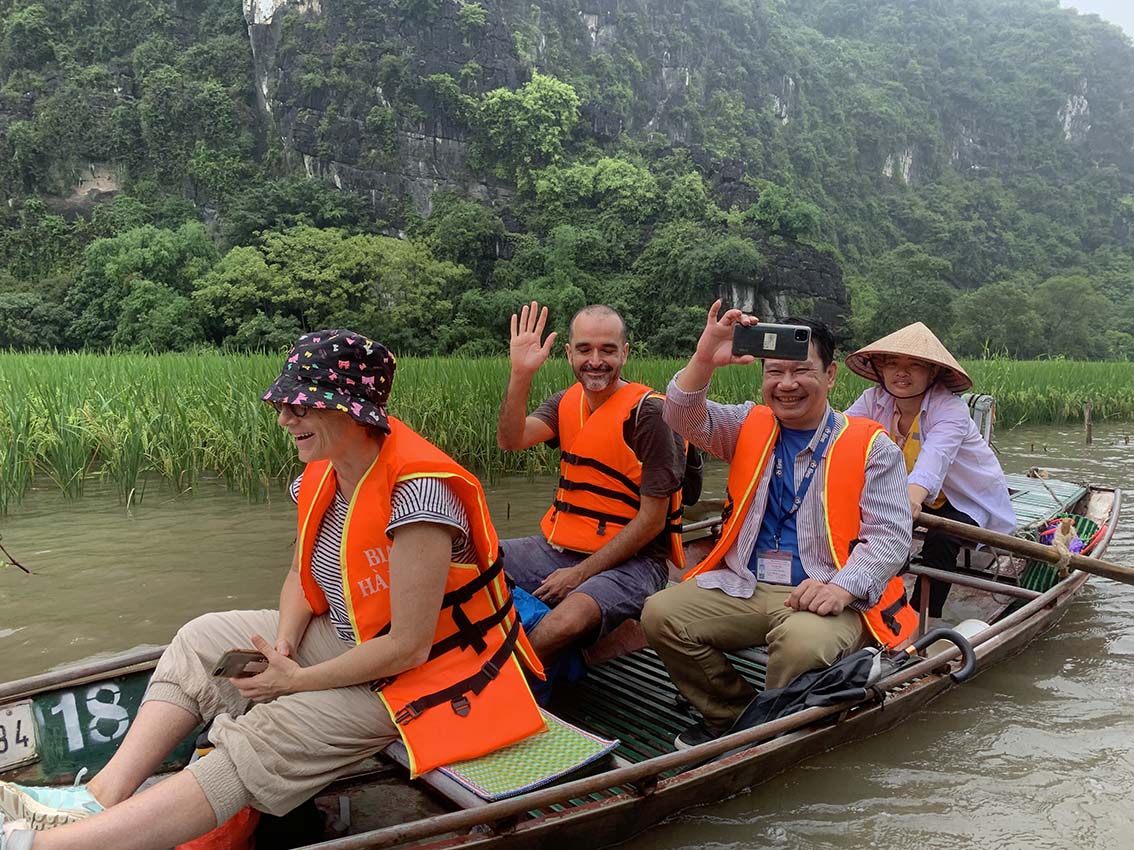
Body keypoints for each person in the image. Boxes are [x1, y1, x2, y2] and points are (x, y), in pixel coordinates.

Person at [0, 330, 545, 850]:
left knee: (270, 731)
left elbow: (409, 647)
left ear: (351, 409)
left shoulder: (419, 496)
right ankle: (99, 796)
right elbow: (299, 579)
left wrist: (297, 682)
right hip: (353, 643)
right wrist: (282, 646)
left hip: (429, 680)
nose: (285, 418)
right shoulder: (325, 473)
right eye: (285, 404)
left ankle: (44, 846)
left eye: (301, 405)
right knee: (202, 639)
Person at [641, 301, 917, 749]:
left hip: (828, 593)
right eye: (774, 372)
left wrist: (842, 588)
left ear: (829, 376)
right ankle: (734, 716)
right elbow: (679, 414)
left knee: (802, 643)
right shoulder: (748, 424)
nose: (786, 385)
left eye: (801, 371)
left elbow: (890, 538)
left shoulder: (873, 447)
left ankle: (774, 730)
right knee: (661, 614)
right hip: (746, 583)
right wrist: (707, 353)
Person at [496, 301, 687, 666]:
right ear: (569, 353)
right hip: (560, 547)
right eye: (584, 349)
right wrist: (520, 374)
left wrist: (578, 575)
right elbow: (510, 439)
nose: (595, 360)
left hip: (635, 563)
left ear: (625, 353)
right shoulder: (565, 402)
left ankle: (503, 685)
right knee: (470, 557)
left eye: (607, 350)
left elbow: (652, 521)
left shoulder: (650, 415)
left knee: (569, 619)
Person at [845, 321, 1016, 620]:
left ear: (932, 373)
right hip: (906, 494)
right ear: (880, 368)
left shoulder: (949, 409)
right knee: (860, 523)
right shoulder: (873, 400)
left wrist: (907, 502)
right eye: (893, 363)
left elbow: (934, 459)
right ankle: (869, 596)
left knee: (941, 538)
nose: (902, 372)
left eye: (915, 365)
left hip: (961, 497)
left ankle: (922, 616)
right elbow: (841, 435)